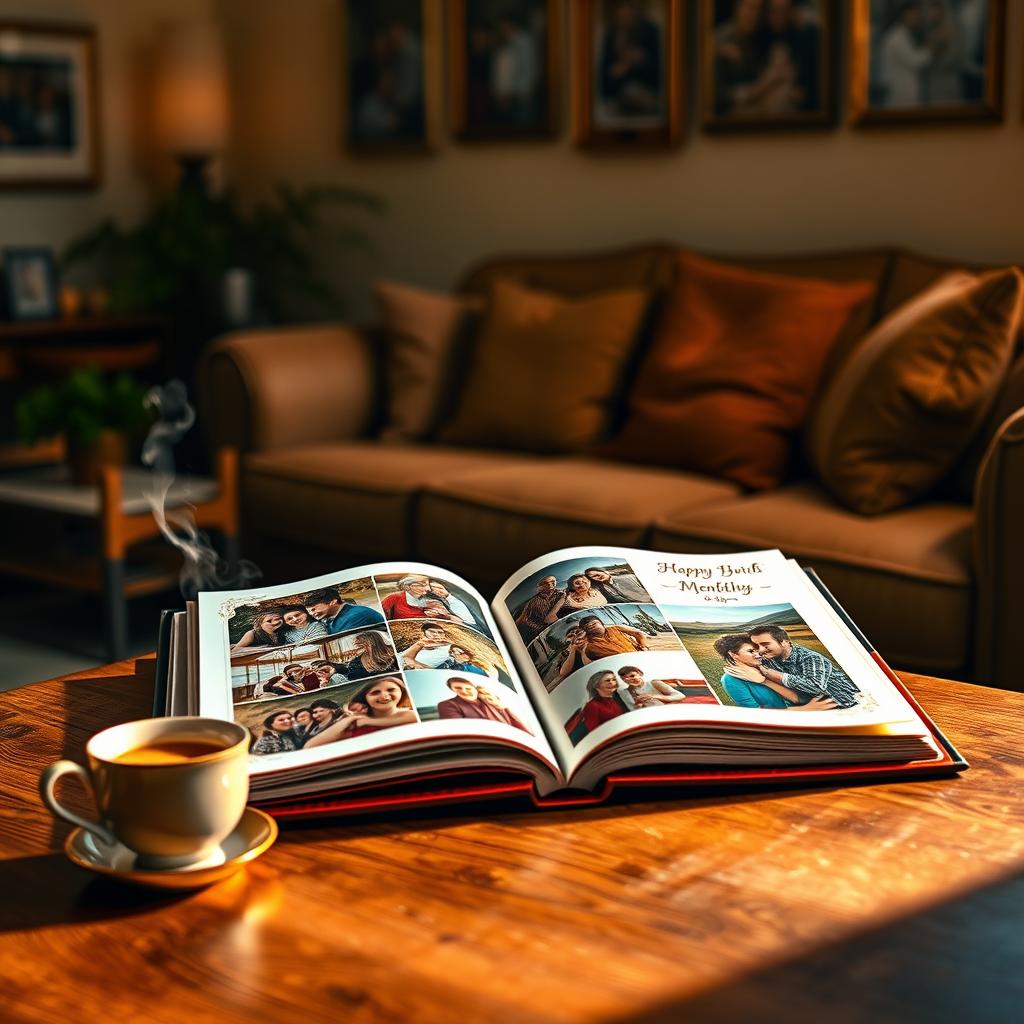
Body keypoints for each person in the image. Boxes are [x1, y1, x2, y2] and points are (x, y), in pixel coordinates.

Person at [713, 634, 837, 710]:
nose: (758, 654)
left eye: (757, 650)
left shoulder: (765, 666)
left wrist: (764, 681)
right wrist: (806, 709)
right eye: (751, 651)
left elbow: (796, 698)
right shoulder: (730, 680)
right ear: (734, 655)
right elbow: (756, 713)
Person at [749, 624, 860, 708]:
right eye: (757, 645)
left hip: (847, 705)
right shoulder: (768, 659)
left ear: (784, 642)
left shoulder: (810, 657)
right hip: (814, 709)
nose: (761, 650)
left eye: (765, 645)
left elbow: (815, 686)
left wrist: (772, 674)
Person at [304, 676, 418, 746]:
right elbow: (310, 745)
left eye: (391, 690)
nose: (384, 696)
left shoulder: (409, 714)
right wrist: (353, 719)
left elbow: (411, 717)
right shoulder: (355, 722)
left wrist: (367, 721)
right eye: (375, 692)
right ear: (365, 697)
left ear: (401, 692)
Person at [599, 1, 662, 117]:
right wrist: (620, 68)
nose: (625, 12)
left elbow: (657, 73)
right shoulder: (610, 35)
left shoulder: (649, 32)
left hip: (647, 93)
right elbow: (604, 82)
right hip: (618, 98)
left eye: (629, 7)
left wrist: (640, 61)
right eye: (621, 8)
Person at [877, 2, 932, 108]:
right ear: (904, 17)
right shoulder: (897, 38)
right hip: (901, 92)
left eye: (917, 16)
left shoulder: (903, 35)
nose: (916, 19)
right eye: (913, 16)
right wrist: (930, 47)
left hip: (903, 91)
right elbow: (916, 61)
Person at [436, 677, 528, 731]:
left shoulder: (491, 699)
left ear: (474, 688)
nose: (464, 691)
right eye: (458, 688)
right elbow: (458, 730)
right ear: (453, 690)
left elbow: (513, 720)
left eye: (468, 688)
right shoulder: (447, 705)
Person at [382, 575, 465, 621]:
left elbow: (459, 621)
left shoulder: (434, 600)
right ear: (407, 587)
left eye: (428, 585)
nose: (428, 589)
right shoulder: (394, 598)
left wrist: (447, 616)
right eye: (423, 585)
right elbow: (381, 619)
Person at [305, 587, 384, 634]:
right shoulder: (329, 616)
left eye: (314, 609)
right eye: (309, 611)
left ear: (333, 602)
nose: (312, 613)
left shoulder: (356, 616)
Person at [578, 615, 650, 662]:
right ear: (585, 631)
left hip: (640, 657)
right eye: (588, 626)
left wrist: (643, 646)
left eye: (594, 623)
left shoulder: (615, 628)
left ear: (601, 624)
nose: (591, 626)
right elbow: (589, 664)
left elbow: (638, 634)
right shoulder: (589, 646)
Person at [513, 575, 564, 641]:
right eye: (545, 583)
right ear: (539, 587)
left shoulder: (562, 595)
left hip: (557, 628)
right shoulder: (532, 601)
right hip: (536, 633)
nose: (549, 584)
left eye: (552, 581)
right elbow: (522, 618)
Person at [580, 670, 629, 735]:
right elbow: (594, 733)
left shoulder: (617, 699)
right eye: (607, 680)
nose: (612, 682)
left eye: (614, 679)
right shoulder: (592, 705)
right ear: (596, 686)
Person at [617, 666, 687, 707]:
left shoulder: (654, 683)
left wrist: (655, 696)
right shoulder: (625, 692)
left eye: (633, 675)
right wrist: (637, 704)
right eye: (625, 678)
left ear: (639, 673)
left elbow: (680, 695)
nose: (632, 679)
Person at [583, 567, 650, 604]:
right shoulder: (600, 590)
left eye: (597, 574)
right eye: (593, 577)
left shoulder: (630, 577)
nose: (597, 577)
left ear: (605, 572)